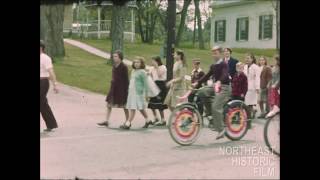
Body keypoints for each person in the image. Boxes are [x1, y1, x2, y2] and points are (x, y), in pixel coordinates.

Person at [192, 46, 231, 140]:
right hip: (215, 86)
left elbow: (225, 74)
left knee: (216, 106)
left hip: (224, 87)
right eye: (213, 53)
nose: (214, 55)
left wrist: (219, 81)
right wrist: (197, 83)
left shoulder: (224, 64)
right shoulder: (213, 66)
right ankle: (211, 115)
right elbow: (206, 76)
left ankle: (221, 129)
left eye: (216, 53)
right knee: (201, 92)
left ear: (220, 54)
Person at [97, 50, 129, 127]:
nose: (114, 58)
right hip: (113, 88)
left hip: (121, 89)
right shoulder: (114, 66)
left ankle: (128, 121)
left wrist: (126, 90)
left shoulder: (124, 67)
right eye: (113, 56)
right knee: (109, 104)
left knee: (124, 106)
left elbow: (126, 79)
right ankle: (106, 120)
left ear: (120, 57)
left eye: (116, 56)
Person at [120, 57, 153, 129]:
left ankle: (128, 123)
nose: (136, 64)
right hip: (132, 92)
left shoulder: (142, 72)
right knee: (140, 108)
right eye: (135, 62)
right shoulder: (133, 71)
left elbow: (146, 84)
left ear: (141, 64)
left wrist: (147, 94)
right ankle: (148, 120)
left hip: (138, 93)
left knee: (133, 107)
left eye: (138, 62)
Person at [40, 40, 59, 132]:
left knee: (42, 103)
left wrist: (55, 84)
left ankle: (51, 124)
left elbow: (51, 72)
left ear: (41, 48)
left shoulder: (45, 58)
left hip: (43, 83)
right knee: (43, 104)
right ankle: (51, 124)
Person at [147, 56, 168, 126]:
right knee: (152, 103)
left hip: (161, 85)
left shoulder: (163, 67)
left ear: (157, 61)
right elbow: (150, 76)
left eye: (153, 61)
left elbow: (159, 75)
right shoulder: (151, 68)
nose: (152, 62)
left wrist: (156, 67)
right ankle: (156, 117)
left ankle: (163, 120)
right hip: (154, 85)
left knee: (160, 104)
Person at [244, 53, 261, 120]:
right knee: (247, 102)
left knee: (250, 102)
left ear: (252, 59)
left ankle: (249, 116)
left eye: (249, 58)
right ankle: (252, 112)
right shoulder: (245, 66)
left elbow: (257, 78)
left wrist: (257, 87)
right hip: (245, 86)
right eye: (246, 58)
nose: (247, 59)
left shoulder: (256, 67)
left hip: (252, 87)